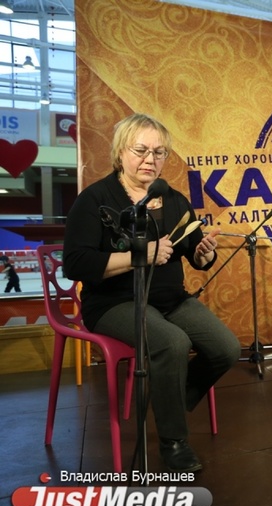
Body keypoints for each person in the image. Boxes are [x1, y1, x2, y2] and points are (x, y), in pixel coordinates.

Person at [63, 113, 240, 472]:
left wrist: (204, 254)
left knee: (227, 348)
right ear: (120, 152)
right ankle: (174, 442)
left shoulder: (173, 199)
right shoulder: (94, 199)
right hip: (113, 302)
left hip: (169, 299)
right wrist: (140, 255)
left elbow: (195, 253)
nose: (150, 159)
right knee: (172, 343)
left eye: (159, 153)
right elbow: (76, 264)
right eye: (141, 150)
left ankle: (168, 396)